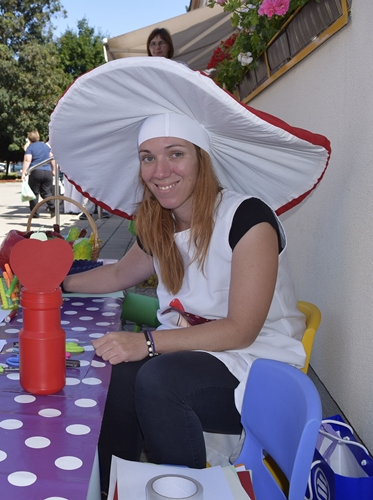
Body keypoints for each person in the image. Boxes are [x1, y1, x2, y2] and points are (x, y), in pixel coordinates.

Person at [50, 57, 330, 492]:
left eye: (175, 154)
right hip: (192, 357)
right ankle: (113, 486)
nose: (159, 172)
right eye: (148, 158)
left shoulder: (248, 218)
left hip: (256, 368)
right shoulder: (159, 222)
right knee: (116, 376)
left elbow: (240, 330)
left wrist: (145, 342)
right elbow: (120, 275)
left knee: (159, 380)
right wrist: (58, 283)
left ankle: (183, 489)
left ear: (201, 159)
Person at [21, 130, 56, 215]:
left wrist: (23, 173)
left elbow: (27, 160)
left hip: (35, 171)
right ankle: (52, 207)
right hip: (47, 172)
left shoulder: (30, 147)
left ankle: (35, 212)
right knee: (46, 192)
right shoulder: (46, 146)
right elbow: (52, 158)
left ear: (29, 139)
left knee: (34, 193)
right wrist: (53, 169)